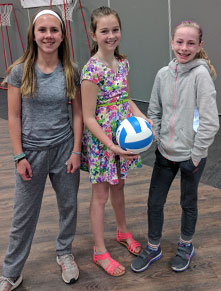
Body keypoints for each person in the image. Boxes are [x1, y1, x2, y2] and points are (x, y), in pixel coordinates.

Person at [0, 9, 83, 291]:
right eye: (43, 30)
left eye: (54, 30)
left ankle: (64, 252)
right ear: (33, 35)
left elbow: (78, 116)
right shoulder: (18, 71)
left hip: (64, 151)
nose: (48, 35)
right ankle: (12, 271)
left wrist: (75, 151)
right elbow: (13, 116)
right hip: (31, 153)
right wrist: (18, 155)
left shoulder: (71, 70)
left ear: (62, 35)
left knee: (68, 205)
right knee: (23, 214)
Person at [131, 21, 220, 273]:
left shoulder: (201, 75)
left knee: (187, 203)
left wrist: (196, 154)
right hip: (164, 153)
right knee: (154, 202)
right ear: (171, 42)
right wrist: (158, 138)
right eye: (179, 42)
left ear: (200, 45)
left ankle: (185, 245)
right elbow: (155, 110)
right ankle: (153, 246)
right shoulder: (163, 74)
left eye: (191, 43)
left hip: (191, 157)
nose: (184, 48)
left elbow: (210, 121)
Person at [80, 6, 153, 277]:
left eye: (114, 30)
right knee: (100, 194)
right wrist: (109, 145)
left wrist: (143, 119)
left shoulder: (123, 63)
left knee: (119, 185)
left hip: (123, 136)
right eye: (104, 31)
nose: (110, 35)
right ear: (93, 34)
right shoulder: (91, 71)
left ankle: (122, 231)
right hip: (102, 141)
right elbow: (88, 117)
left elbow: (126, 100)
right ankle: (99, 250)